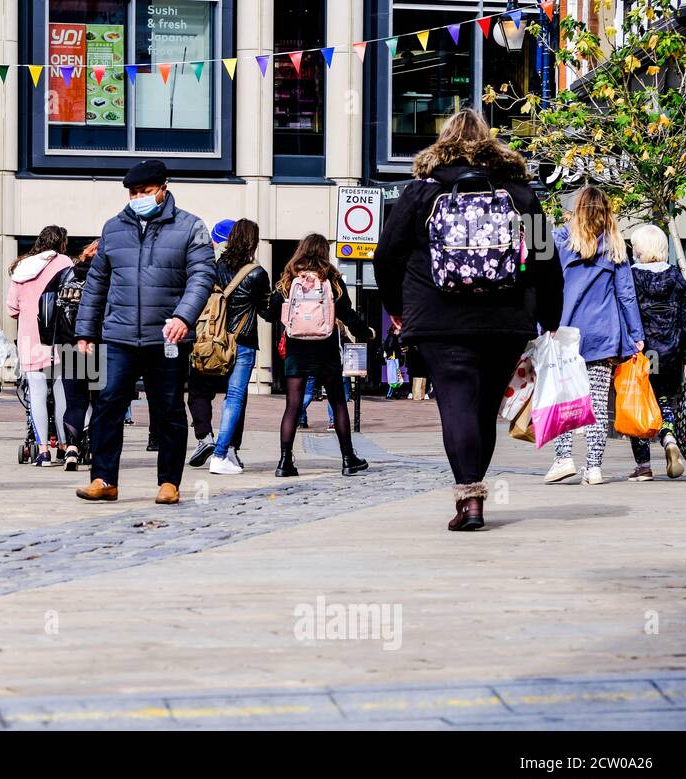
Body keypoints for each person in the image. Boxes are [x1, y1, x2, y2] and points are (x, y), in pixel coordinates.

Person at [375, 109, 563, 530]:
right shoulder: (520, 194)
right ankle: (474, 495)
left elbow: (387, 254)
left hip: (439, 318)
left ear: (442, 144)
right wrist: (550, 315)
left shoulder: (421, 193)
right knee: (483, 411)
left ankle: (469, 496)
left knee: (456, 405)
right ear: (491, 144)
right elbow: (546, 260)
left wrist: (397, 309)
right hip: (505, 318)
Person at [74, 159, 215, 504]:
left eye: (145, 192)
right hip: (118, 336)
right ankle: (104, 479)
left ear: (163, 189)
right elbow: (97, 283)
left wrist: (184, 317)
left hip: (166, 336)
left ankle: (169, 483)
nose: (138, 197)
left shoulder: (190, 227)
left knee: (167, 409)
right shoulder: (113, 229)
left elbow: (202, 277)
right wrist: (85, 332)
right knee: (107, 405)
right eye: (133, 192)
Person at [545, 185, 645, 486]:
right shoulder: (615, 246)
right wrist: (636, 334)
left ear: (577, 210)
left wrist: (541, 324)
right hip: (603, 334)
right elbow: (627, 295)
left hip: (565, 329)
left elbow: (546, 285)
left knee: (563, 398)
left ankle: (563, 458)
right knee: (598, 404)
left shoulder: (561, 239)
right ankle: (594, 468)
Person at [271, 233, 374, 479]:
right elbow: (347, 313)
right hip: (326, 347)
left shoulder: (288, 278)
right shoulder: (332, 278)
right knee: (337, 401)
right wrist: (365, 332)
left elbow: (270, 311)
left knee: (293, 406)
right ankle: (348, 458)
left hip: (296, 347)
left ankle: (285, 462)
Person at [626, 225, 686, 480]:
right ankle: (668, 437)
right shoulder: (677, 277)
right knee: (665, 400)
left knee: (639, 403)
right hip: (672, 353)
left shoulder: (631, 277)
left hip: (643, 353)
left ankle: (643, 466)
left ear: (639, 250)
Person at [207, 219, 275, 475]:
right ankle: (221, 453)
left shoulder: (216, 267)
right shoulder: (257, 273)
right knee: (234, 398)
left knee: (206, 394)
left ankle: (224, 450)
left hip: (214, 339)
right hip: (242, 342)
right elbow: (267, 313)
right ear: (253, 241)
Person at [8, 226, 76, 466]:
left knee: (35, 395)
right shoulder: (65, 262)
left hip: (29, 338)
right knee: (61, 393)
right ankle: (67, 446)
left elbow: (12, 309)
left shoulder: (21, 268)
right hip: (59, 336)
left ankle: (43, 450)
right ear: (62, 243)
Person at [187, 217, 243, 469]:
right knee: (235, 396)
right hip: (236, 340)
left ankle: (204, 437)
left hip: (206, 338)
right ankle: (229, 448)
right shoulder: (249, 267)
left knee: (199, 392)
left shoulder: (204, 263)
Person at [42, 239, 98, 469]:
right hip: (98, 345)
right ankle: (94, 449)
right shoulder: (106, 275)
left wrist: (47, 337)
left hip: (68, 346)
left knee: (75, 401)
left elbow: (45, 303)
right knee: (100, 401)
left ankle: (72, 448)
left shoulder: (65, 275)